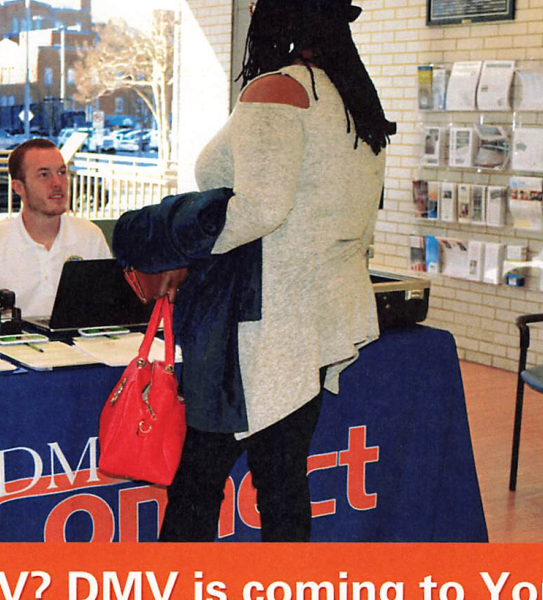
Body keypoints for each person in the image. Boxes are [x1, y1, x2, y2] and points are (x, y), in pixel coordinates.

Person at [130, 0, 395, 542]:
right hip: (318, 318)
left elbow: (260, 209)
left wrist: (183, 248)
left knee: (199, 485)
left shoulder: (277, 88)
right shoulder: (352, 100)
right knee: (281, 484)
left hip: (260, 327)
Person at [0, 138, 111, 322]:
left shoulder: (90, 235)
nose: (57, 183)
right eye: (44, 175)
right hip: (15, 345)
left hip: (77, 345)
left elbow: (109, 307)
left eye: (61, 172)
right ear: (18, 187)